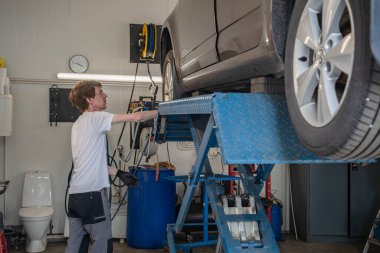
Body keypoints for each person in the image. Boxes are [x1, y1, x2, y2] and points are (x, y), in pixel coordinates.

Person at [66, 80, 157, 253]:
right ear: (89, 100)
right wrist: (162, 111)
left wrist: (118, 172)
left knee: (76, 243)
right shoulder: (96, 118)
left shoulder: (78, 124)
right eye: (100, 92)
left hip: (76, 195)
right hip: (93, 194)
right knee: (103, 243)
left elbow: (90, 163)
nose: (105, 95)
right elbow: (137, 117)